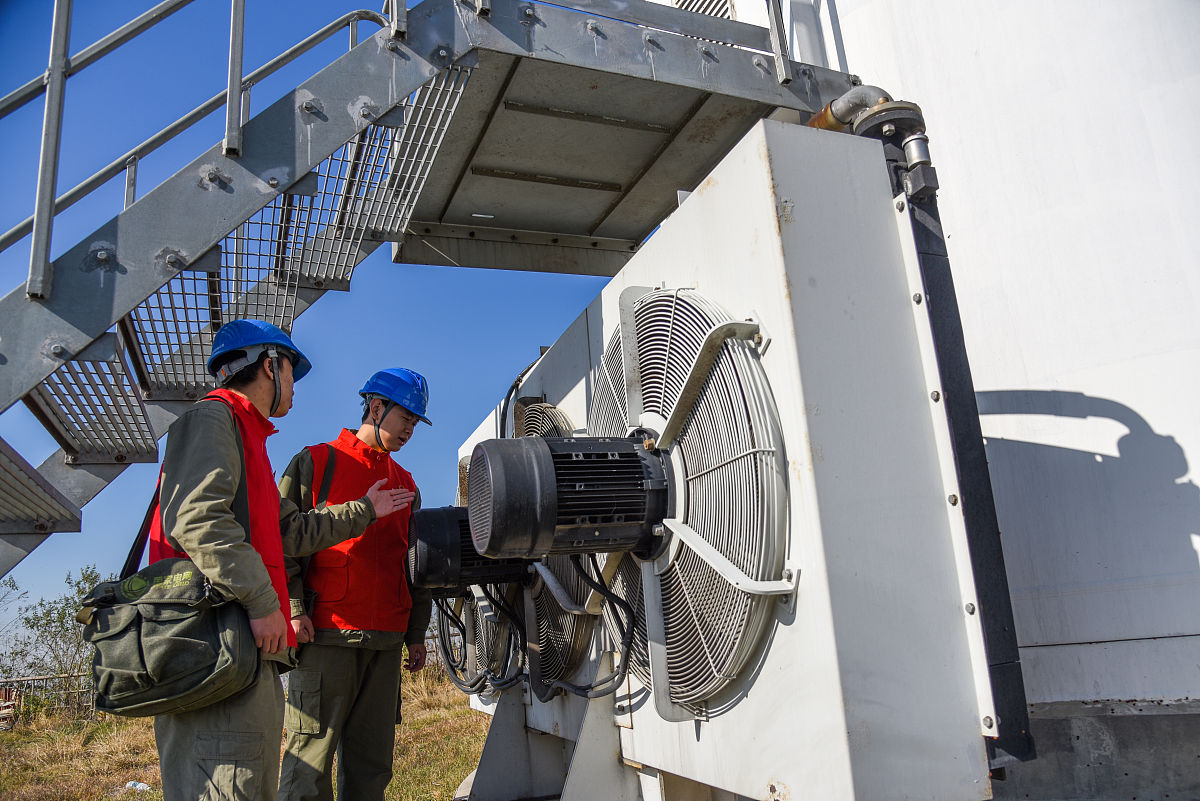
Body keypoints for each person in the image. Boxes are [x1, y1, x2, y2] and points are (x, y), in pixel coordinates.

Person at [148, 320, 414, 801]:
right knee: (231, 785)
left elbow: (287, 532)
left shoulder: (249, 438)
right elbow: (198, 520)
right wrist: (268, 603)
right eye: (292, 372)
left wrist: (366, 510)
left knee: (249, 782)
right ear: (269, 365)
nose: (295, 386)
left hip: (245, 645)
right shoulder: (215, 420)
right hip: (217, 635)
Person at [276, 368, 434, 801]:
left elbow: (415, 565)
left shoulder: (408, 485)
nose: (409, 430)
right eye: (406, 417)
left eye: (416, 423)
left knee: (371, 769)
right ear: (376, 407)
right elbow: (280, 543)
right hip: (326, 637)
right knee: (307, 769)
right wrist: (292, 610)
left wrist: (417, 633)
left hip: (385, 644)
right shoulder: (315, 462)